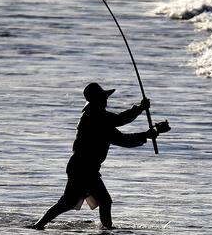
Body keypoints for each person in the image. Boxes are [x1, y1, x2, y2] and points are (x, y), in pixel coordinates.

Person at [31, 82, 167, 230]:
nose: (106, 101)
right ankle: (107, 230)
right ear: (97, 100)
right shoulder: (95, 117)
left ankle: (39, 225)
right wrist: (140, 111)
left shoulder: (97, 118)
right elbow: (120, 124)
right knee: (102, 200)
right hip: (84, 168)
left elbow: (120, 137)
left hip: (82, 167)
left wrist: (146, 133)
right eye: (103, 98)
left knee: (69, 202)